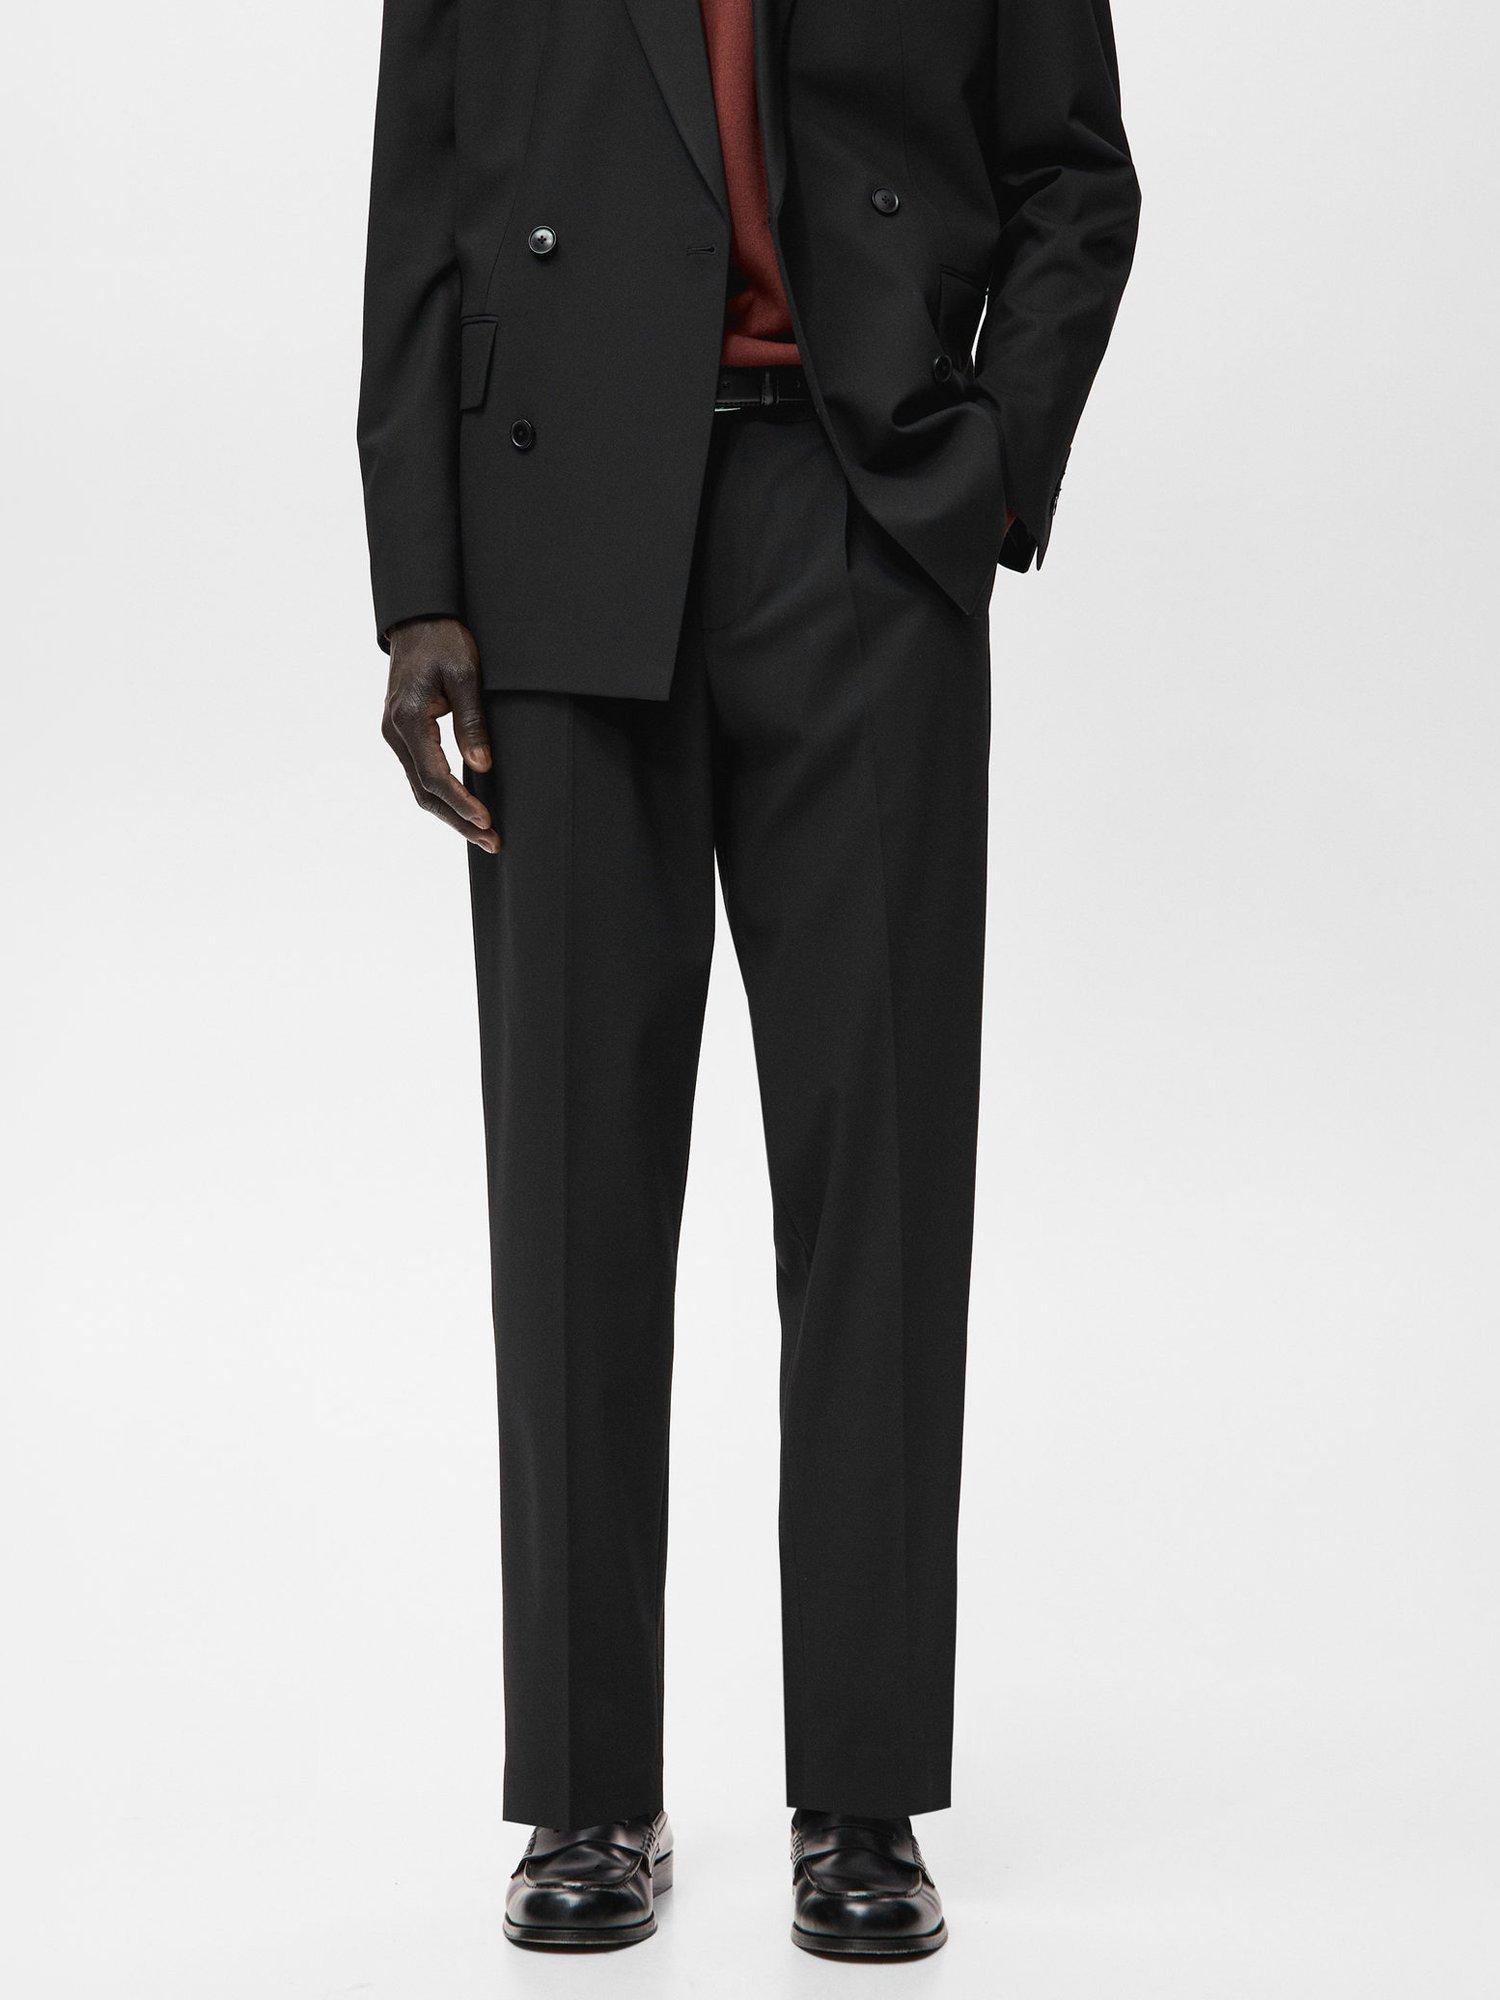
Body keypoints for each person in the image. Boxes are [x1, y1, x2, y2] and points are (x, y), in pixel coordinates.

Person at [358, 0, 1138, 1959]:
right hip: (555, 539)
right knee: (571, 1196)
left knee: (879, 1189)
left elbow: (1074, 175)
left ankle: (862, 1792)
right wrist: (420, 586)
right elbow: (422, 204)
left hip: (862, 524)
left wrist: (991, 471)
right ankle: (586, 1789)